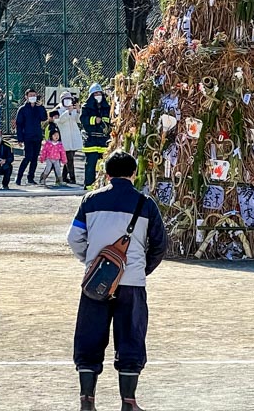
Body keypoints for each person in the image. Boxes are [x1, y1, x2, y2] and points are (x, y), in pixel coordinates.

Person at [68, 152, 168, 411]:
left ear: (107, 174)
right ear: (134, 174)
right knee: (131, 338)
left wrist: (91, 263)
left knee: (89, 337)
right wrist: (141, 269)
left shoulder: (90, 200)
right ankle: (129, 402)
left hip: (95, 282)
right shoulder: (145, 203)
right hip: (132, 283)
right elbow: (160, 244)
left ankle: (87, 401)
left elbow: (74, 238)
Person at [80, 85, 111, 188]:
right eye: (96, 94)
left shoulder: (107, 107)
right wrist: (94, 120)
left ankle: (102, 185)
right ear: (91, 95)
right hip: (91, 140)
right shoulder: (86, 107)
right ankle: (89, 186)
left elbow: (110, 121)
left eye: (99, 93)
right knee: (91, 164)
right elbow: (83, 120)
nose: (98, 95)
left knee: (104, 164)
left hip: (103, 140)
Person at [16, 89, 47, 187]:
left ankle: (31, 178)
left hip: (37, 136)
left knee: (34, 158)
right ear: (26, 97)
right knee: (27, 157)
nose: (33, 97)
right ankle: (19, 177)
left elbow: (44, 118)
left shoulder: (39, 108)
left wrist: (41, 107)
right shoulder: (22, 109)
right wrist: (20, 138)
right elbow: (19, 124)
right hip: (27, 137)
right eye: (30, 95)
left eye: (34, 95)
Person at [57, 92, 83, 185]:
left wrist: (78, 110)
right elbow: (60, 120)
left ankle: (64, 177)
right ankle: (72, 178)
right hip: (64, 137)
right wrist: (68, 111)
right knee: (69, 158)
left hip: (74, 136)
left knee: (69, 158)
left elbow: (78, 120)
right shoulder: (59, 109)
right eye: (66, 99)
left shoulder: (73, 109)